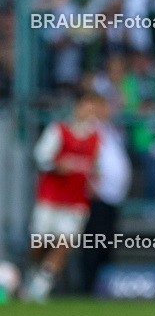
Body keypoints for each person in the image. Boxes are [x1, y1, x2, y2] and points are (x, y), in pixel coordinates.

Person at [22, 92, 102, 302]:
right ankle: (30, 273)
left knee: (64, 243)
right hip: (51, 197)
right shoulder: (59, 130)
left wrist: (94, 179)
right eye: (87, 106)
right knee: (40, 242)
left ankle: (40, 287)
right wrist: (57, 166)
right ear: (77, 107)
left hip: (76, 201)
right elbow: (40, 157)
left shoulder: (96, 138)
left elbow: (95, 167)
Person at [80, 94, 131, 293]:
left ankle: (101, 286)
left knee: (105, 243)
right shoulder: (89, 129)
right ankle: (87, 288)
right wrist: (91, 184)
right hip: (96, 196)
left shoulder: (109, 129)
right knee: (94, 244)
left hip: (111, 197)